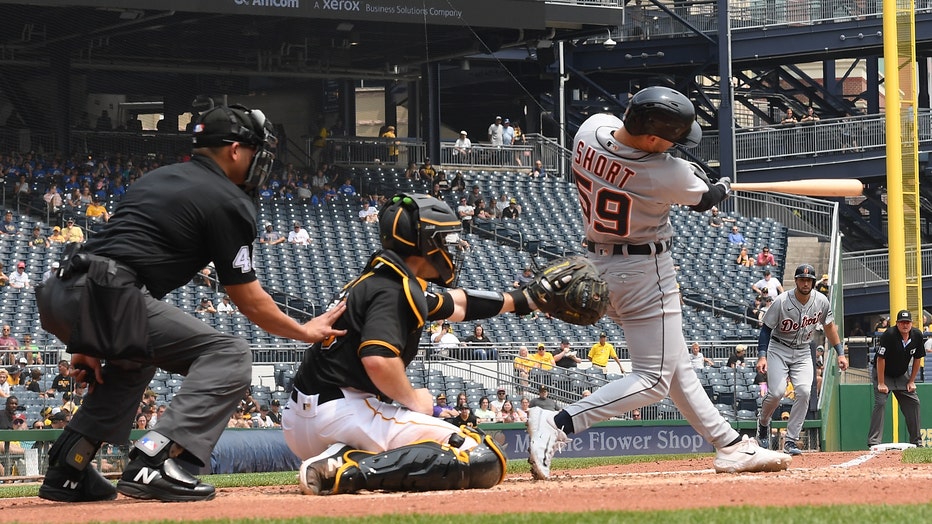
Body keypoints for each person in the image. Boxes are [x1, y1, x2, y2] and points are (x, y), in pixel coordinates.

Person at [34, 104, 346, 503]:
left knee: (135, 361)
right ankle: (157, 461)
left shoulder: (159, 178)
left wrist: (83, 341)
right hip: (105, 295)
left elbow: (109, 248)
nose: (259, 162)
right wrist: (305, 330)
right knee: (230, 354)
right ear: (235, 150)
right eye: (255, 152)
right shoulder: (228, 199)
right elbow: (247, 298)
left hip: (66, 289)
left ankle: (68, 468)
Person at [526, 86, 791, 481]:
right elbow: (703, 196)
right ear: (652, 138)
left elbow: (681, 178)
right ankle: (560, 423)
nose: (676, 147)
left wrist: (707, 186)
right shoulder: (666, 172)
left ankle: (731, 445)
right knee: (653, 380)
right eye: (671, 140)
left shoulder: (590, 128)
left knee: (675, 364)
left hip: (597, 264)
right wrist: (721, 187)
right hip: (644, 272)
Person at [284, 193, 556, 496]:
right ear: (424, 243)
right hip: (344, 414)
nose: (452, 247)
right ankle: (345, 469)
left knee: (429, 448)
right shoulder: (394, 290)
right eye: (444, 238)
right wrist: (414, 398)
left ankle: (344, 458)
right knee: (480, 454)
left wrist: (525, 300)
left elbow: (459, 304)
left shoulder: (381, 278)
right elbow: (378, 359)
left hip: (305, 419)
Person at [756, 264, 848, 456]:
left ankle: (790, 440)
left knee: (805, 392)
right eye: (802, 279)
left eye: (809, 280)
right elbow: (765, 329)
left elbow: (830, 327)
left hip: (804, 350)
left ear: (813, 282)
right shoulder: (781, 301)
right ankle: (763, 422)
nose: (805, 283)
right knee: (776, 393)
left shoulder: (821, 301)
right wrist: (762, 356)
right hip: (779, 347)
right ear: (796, 281)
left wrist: (840, 352)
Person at [867, 309, 924, 447]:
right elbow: (881, 359)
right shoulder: (889, 335)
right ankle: (873, 442)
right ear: (897, 323)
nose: (905, 325)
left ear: (911, 323)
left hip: (901, 375)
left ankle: (917, 442)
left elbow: (918, 358)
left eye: (907, 322)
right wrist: (881, 382)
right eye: (902, 322)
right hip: (883, 373)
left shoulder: (917, 335)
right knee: (880, 403)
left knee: (914, 402)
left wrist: (911, 381)